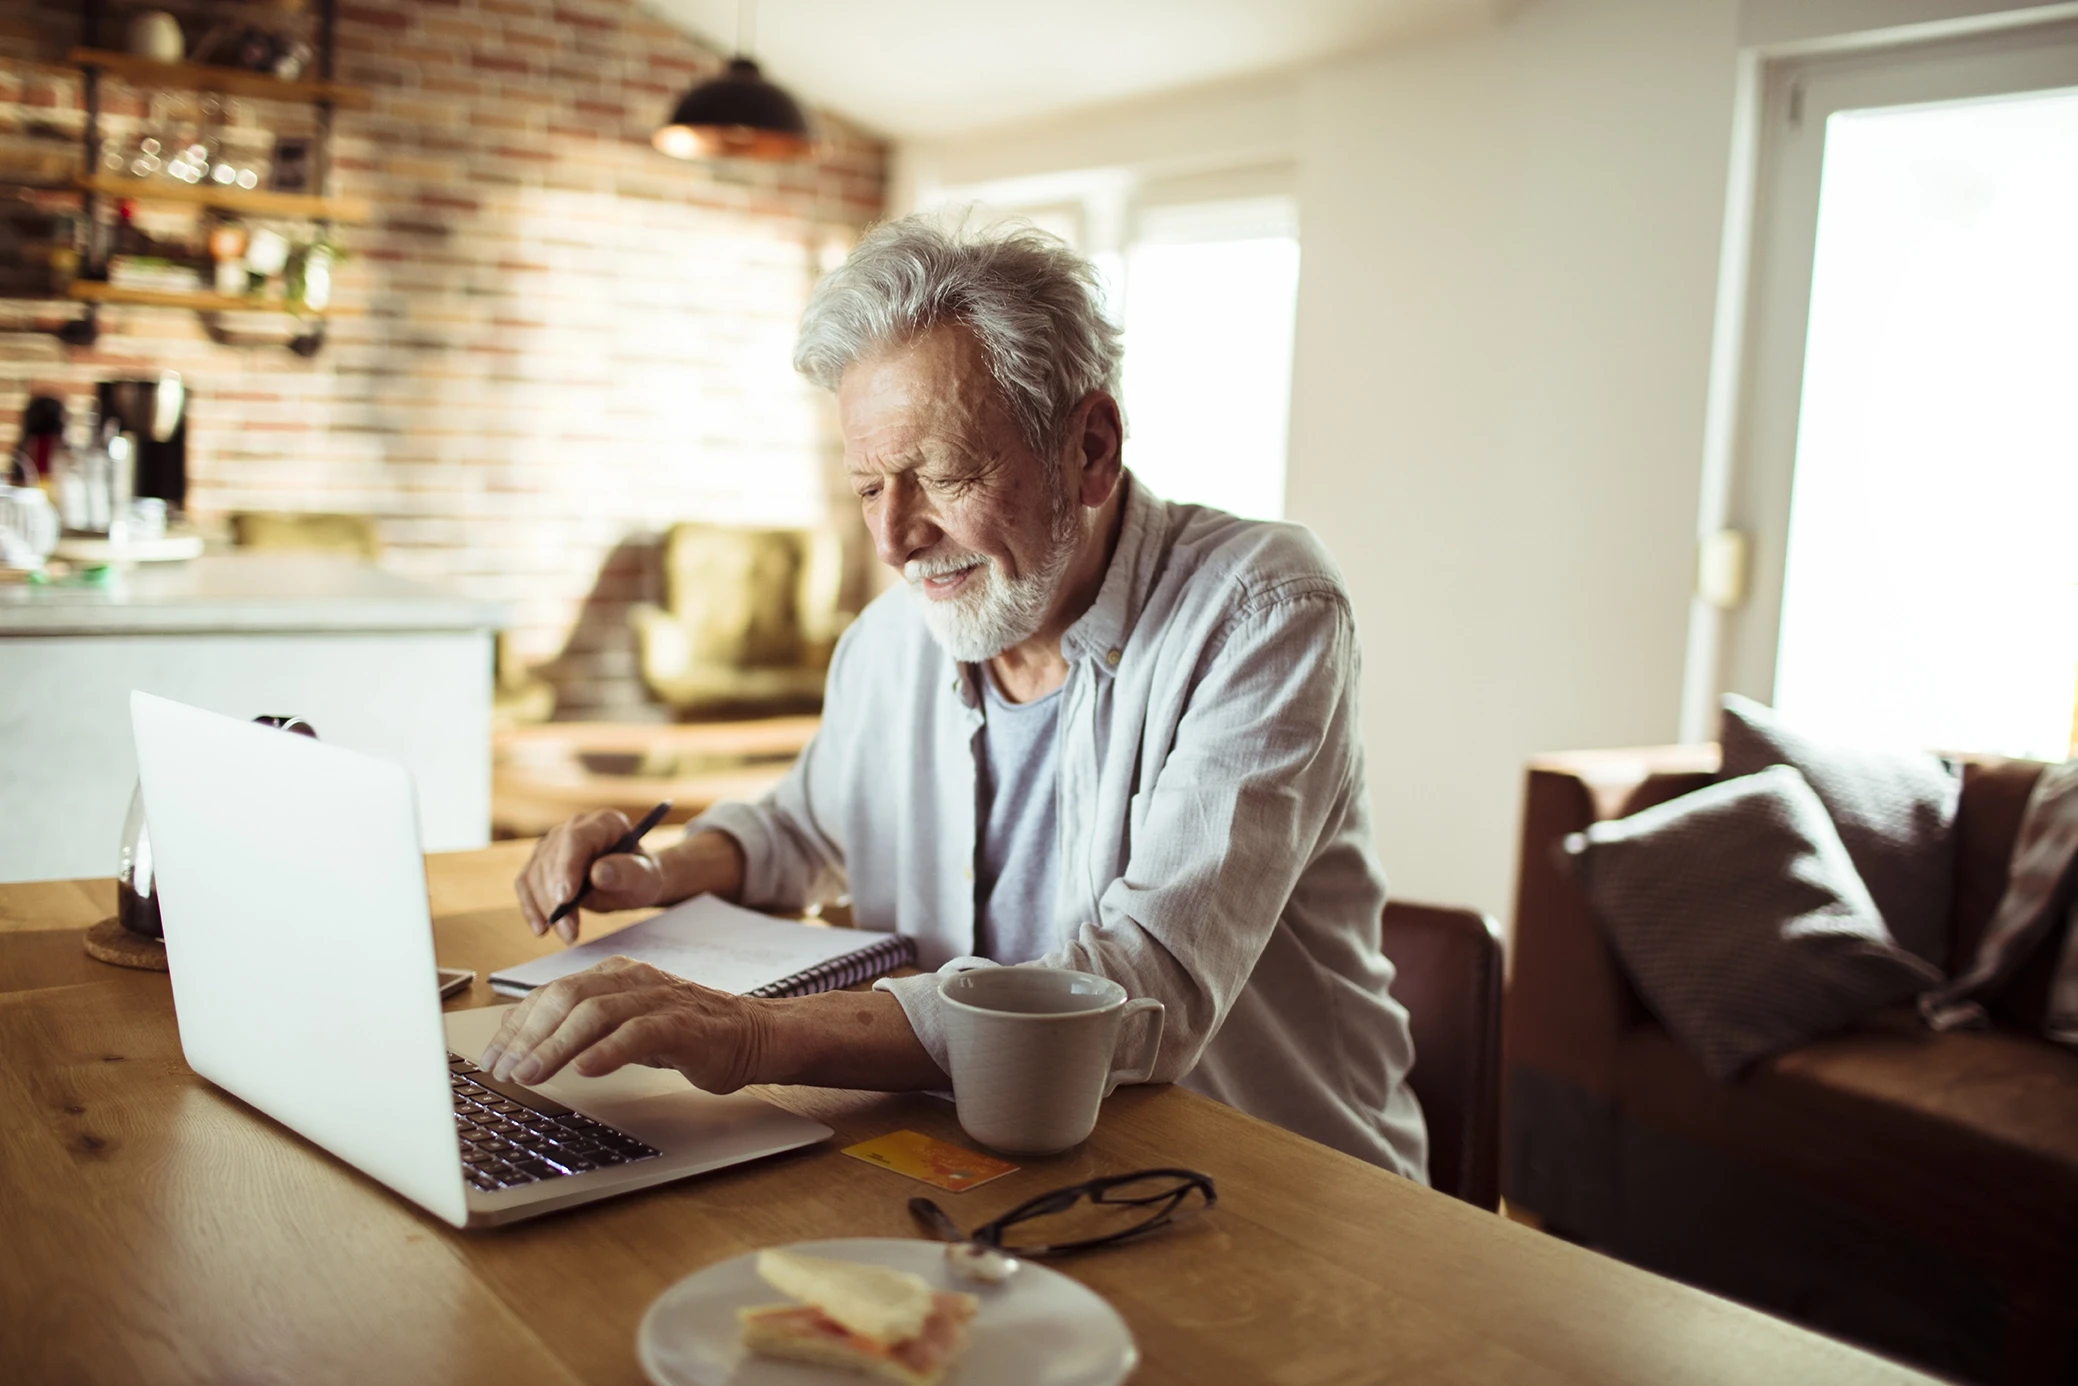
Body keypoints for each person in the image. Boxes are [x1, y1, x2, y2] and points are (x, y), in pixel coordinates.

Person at [481, 215, 1428, 1178]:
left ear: (1090, 448)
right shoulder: (895, 635)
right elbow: (807, 830)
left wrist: (753, 1035)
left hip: (1281, 1186)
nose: (894, 540)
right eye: (866, 488)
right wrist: (664, 872)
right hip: (987, 1161)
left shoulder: (1262, 607)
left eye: (940, 473)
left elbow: (1145, 989)